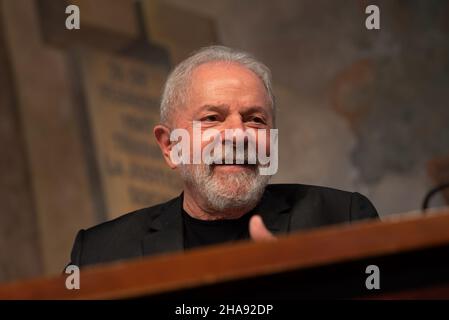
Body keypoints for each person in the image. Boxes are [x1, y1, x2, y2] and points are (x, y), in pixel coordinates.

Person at [68, 45, 378, 268]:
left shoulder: (343, 219)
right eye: (212, 118)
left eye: (256, 120)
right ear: (170, 147)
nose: (238, 134)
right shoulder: (100, 254)